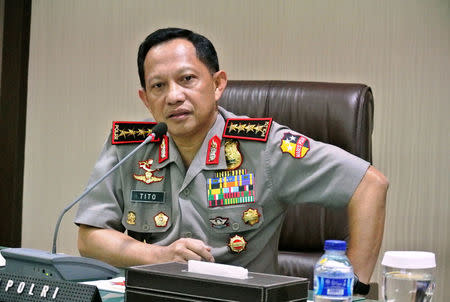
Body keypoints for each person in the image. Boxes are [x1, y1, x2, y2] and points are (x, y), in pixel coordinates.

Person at [75, 28, 388, 290]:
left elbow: (369, 184)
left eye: (187, 79)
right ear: (146, 99)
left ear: (217, 84)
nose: (173, 96)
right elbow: (90, 237)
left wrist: (354, 289)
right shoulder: (132, 148)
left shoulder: (263, 147)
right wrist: (158, 256)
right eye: (158, 86)